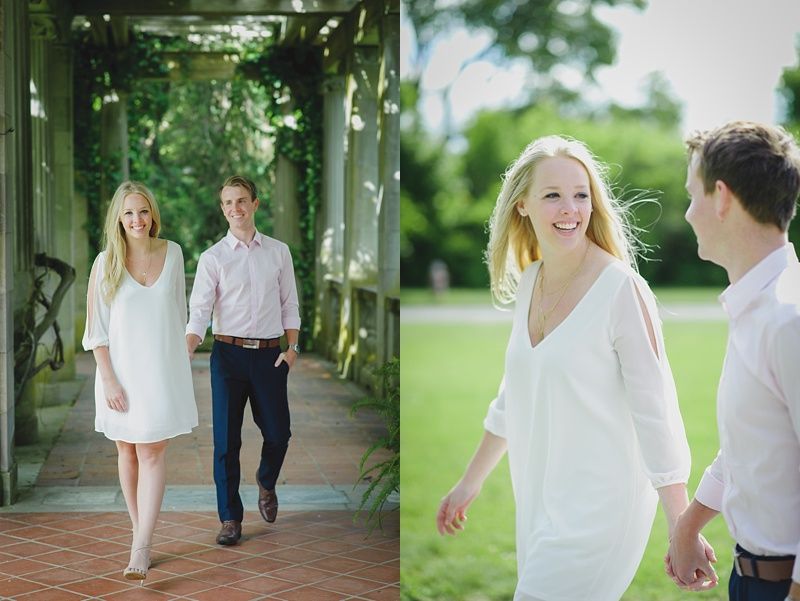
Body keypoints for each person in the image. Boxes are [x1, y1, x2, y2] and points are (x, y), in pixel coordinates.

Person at [436, 135, 702, 601]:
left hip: (600, 510)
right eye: (553, 195)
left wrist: (681, 526)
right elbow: (512, 397)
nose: (571, 209)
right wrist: (468, 483)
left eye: (581, 195)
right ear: (522, 205)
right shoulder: (531, 281)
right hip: (540, 501)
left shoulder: (621, 289)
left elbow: (656, 413)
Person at [666, 121, 800, 601]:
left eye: (692, 195)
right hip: (750, 580)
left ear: (721, 197)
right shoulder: (757, 306)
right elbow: (754, 443)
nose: (687, 213)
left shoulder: (788, 319)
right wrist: (689, 524)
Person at [82, 181, 198, 582]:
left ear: (153, 214)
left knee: (152, 453)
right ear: (118, 217)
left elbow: (178, 314)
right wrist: (110, 381)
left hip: (160, 373)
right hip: (119, 376)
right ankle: (140, 532)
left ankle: (141, 546)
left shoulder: (174, 253)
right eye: (129, 212)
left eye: (143, 211)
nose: (137, 220)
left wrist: (180, 358)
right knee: (127, 453)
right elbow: (95, 331)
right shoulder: (104, 263)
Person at [186, 175, 300, 546]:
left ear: (255, 204)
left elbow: (289, 303)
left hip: (270, 355)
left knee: (279, 433)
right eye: (228, 203)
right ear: (223, 209)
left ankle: (266, 482)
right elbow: (199, 310)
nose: (235, 208)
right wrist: (188, 344)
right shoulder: (212, 258)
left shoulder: (278, 252)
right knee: (225, 442)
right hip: (228, 355)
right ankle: (230, 518)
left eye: (241, 201)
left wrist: (292, 347)